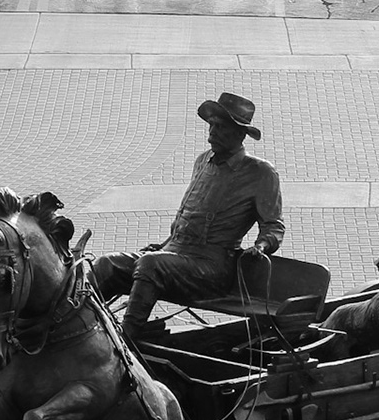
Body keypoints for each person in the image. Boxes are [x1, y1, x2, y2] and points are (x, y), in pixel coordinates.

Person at [90, 92, 285, 343]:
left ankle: (125, 343)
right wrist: (164, 246)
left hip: (211, 269)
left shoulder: (260, 172)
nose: (211, 132)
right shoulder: (203, 161)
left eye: (220, 126)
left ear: (239, 134)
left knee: (151, 265)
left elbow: (274, 225)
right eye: (211, 125)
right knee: (108, 264)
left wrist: (261, 246)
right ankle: (73, 328)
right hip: (174, 255)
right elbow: (188, 217)